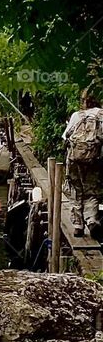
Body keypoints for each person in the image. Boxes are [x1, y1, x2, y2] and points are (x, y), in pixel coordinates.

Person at [63, 91, 103, 239]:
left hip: (75, 159)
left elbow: (65, 136)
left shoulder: (77, 116)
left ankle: (78, 226)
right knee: (91, 191)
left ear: (84, 101)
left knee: (75, 190)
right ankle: (92, 220)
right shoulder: (101, 116)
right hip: (95, 159)